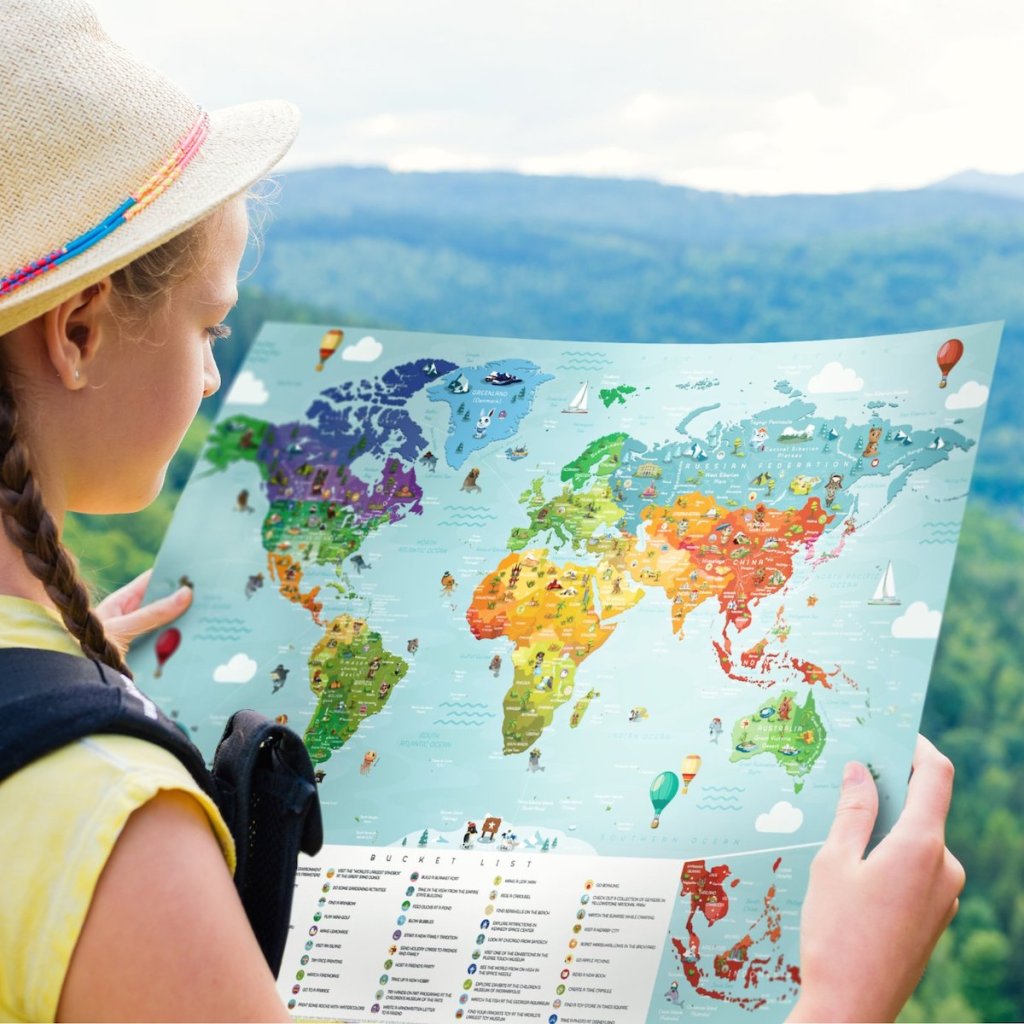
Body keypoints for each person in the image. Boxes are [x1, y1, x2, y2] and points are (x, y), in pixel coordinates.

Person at [0, 3, 963, 1023]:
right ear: (80, 329)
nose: (209, 375)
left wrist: (56, 674)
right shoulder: (111, 817)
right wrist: (845, 999)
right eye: (211, 324)